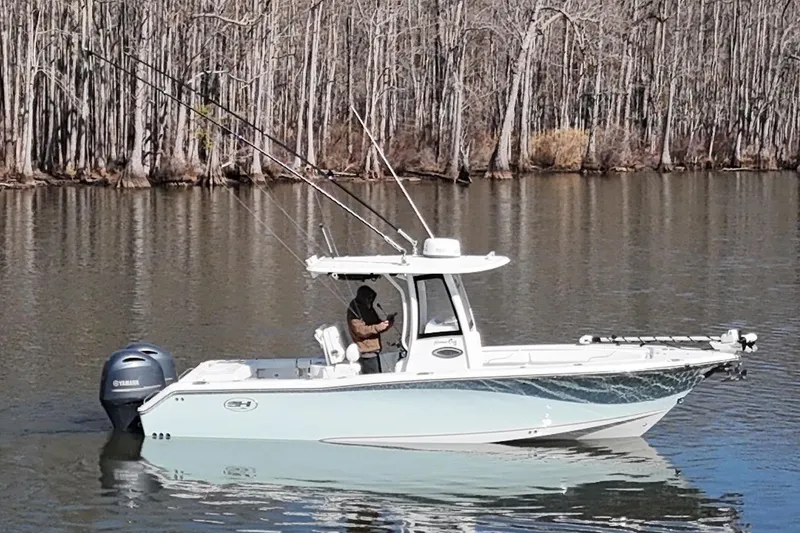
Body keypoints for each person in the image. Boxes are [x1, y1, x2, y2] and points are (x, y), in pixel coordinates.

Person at [346, 285, 394, 374]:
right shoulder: (354, 310)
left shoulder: (368, 308)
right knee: (374, 377)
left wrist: (387, 324)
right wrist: (379, 326)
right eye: (368, 298)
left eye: (371, 298)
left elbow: (376, 325)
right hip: (366, 352)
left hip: (374, 350)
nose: (370, 300)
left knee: (378, 374)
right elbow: (360, 330)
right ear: (363, 297)